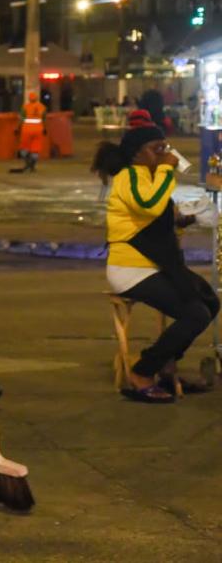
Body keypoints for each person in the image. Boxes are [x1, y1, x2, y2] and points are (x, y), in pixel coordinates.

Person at [93, 110, 218, 402]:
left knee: (210, 301)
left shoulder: (147, 176)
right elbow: (149, 205)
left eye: (165, 147)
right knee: (195, 313)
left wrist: (188, 218)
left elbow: (158, 218)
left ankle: (166, 361)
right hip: (132, 268)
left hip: (155, 264)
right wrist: (166, 170)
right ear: (137, 154)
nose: (163, 154)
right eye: (156, 149)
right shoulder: (128, 177)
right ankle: (143, 370)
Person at [11, 92, 46, 174]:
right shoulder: (42, 107)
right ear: (37, 98)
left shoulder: (25, 107)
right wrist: (44, 129)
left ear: (29, 99)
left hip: (26, 130)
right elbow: (44, 120)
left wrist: (17, 128)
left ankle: (28, 164)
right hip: (38, 130)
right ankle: (32, 166)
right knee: (35, 149)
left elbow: (21, 119)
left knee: (24, 148)